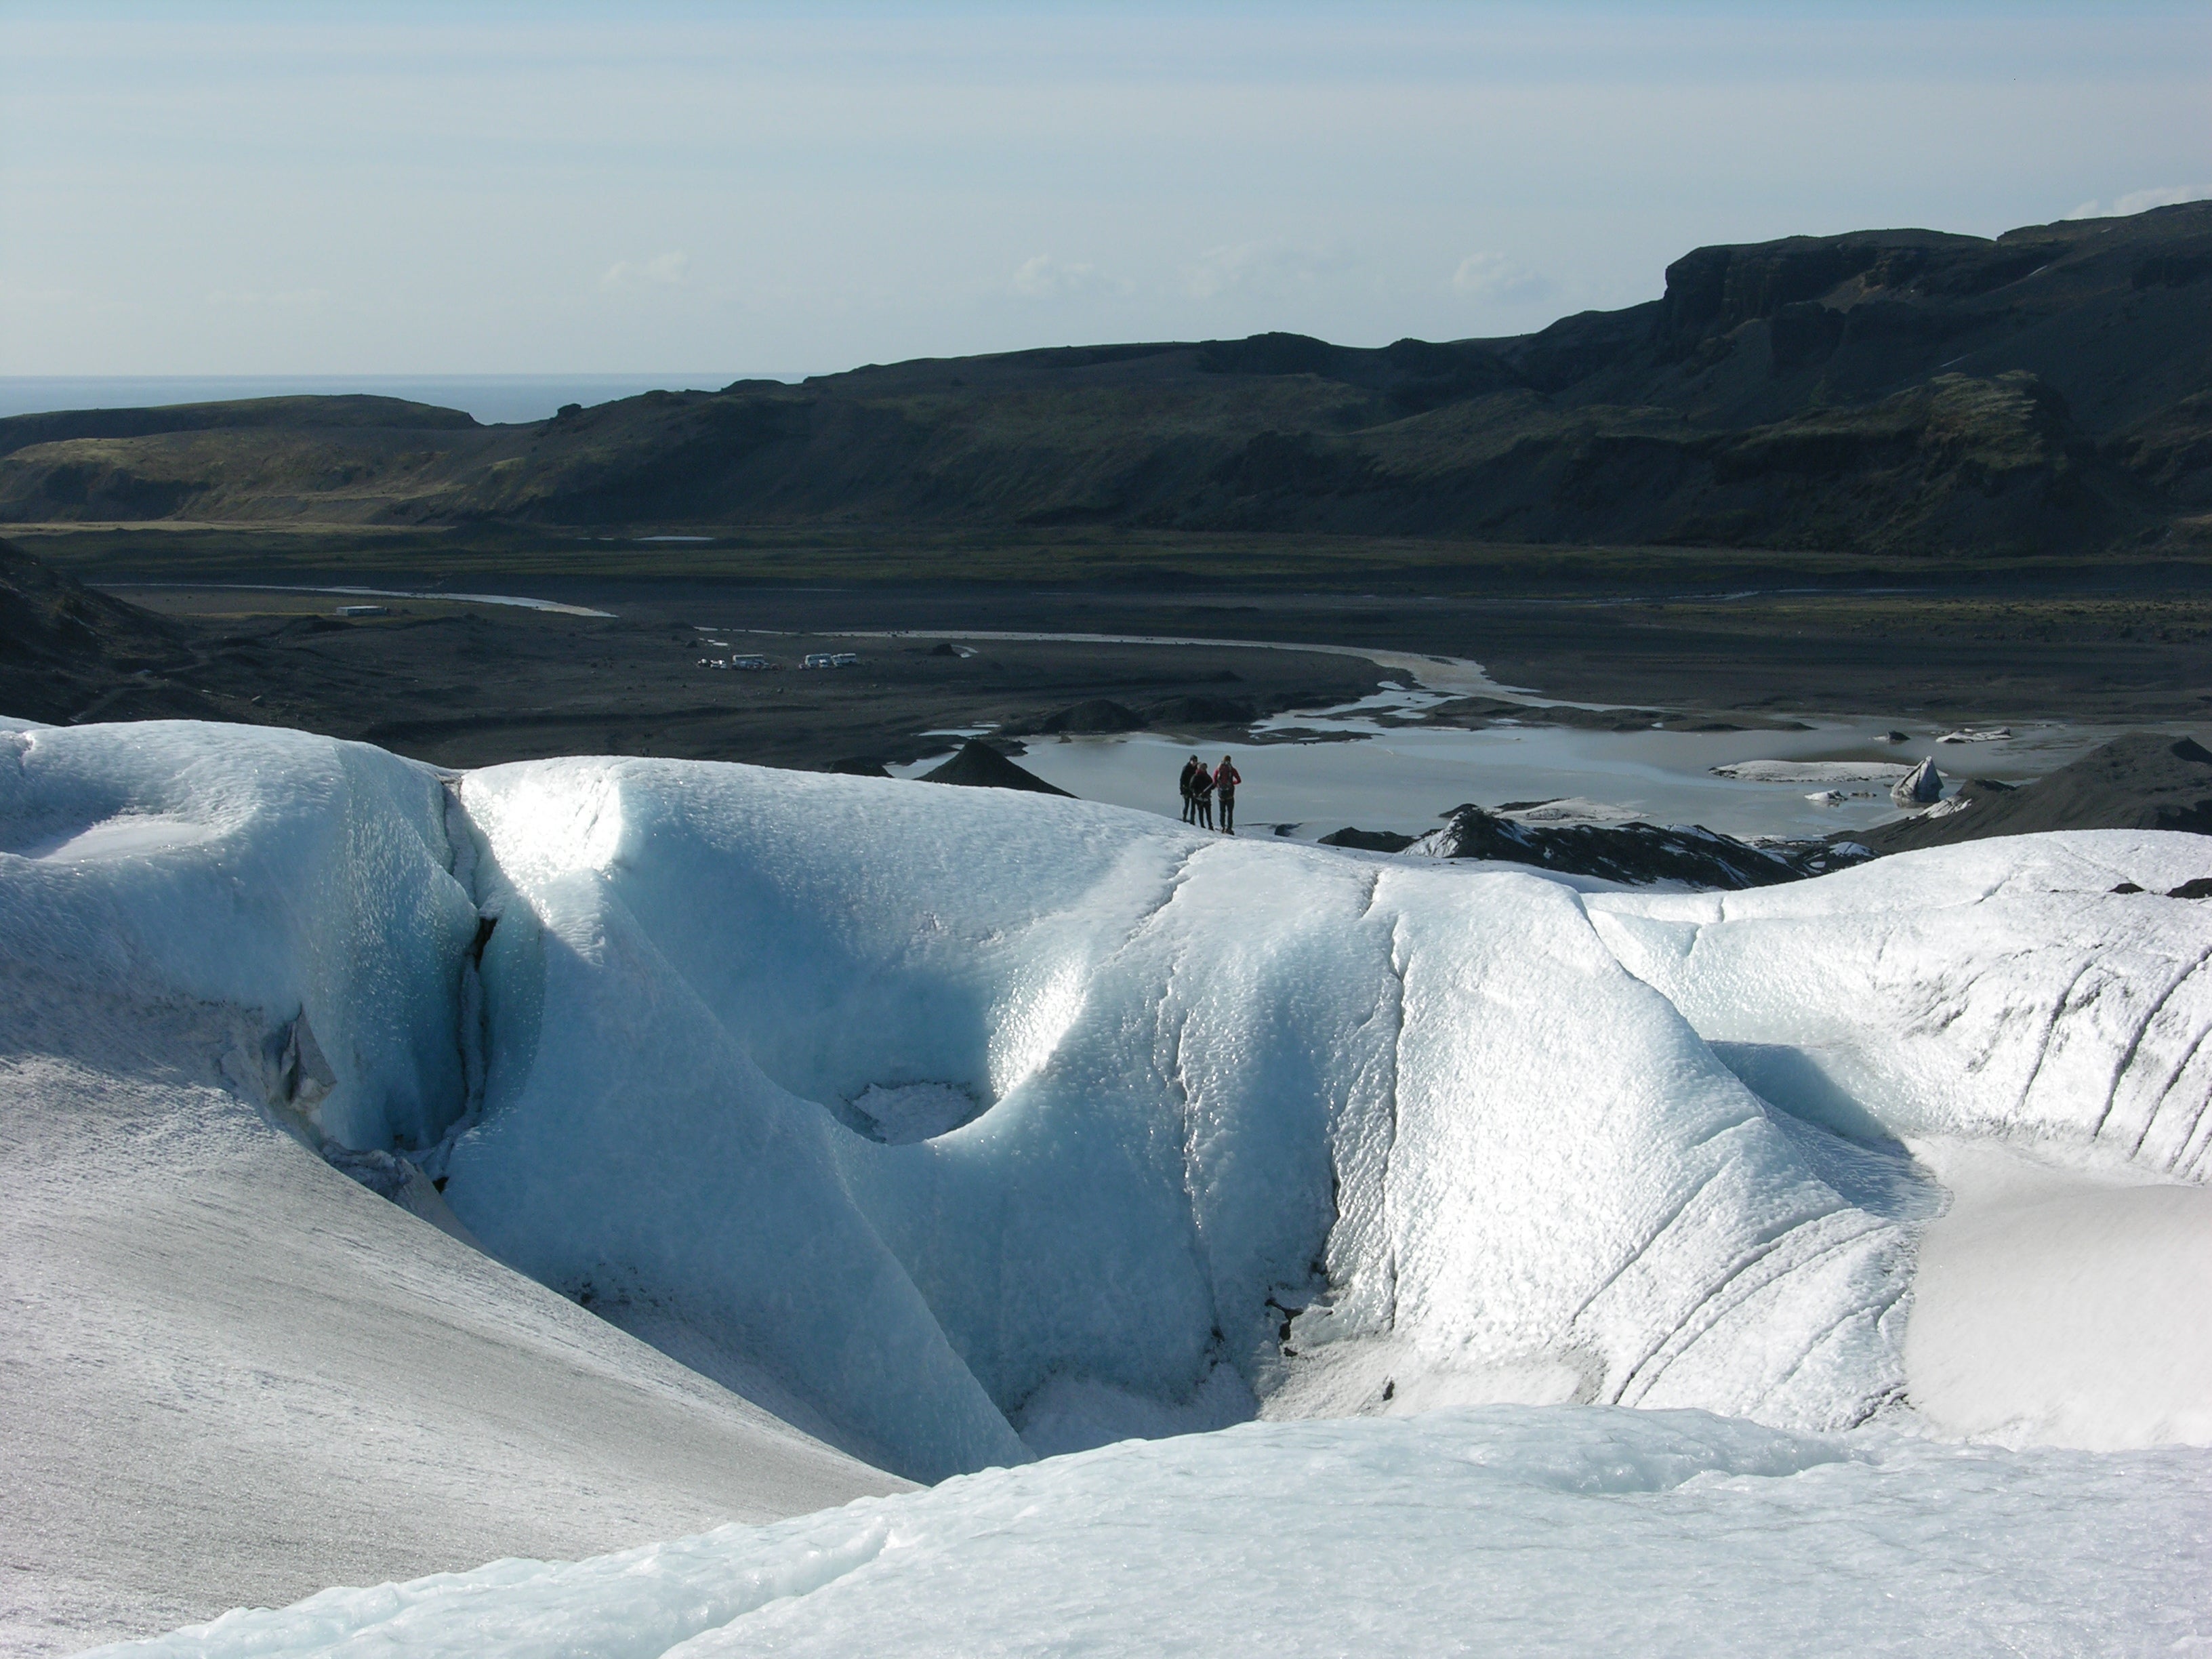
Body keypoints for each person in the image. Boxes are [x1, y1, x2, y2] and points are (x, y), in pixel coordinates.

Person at [1214, 755, 1242, 834]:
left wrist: (1219, 786)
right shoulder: (1232, 769)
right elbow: (1239, 780)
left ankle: (1222, 827)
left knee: (1222, 811)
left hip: (1221, 793)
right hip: (1230, 793)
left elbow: (1215, 781)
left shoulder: (1218, 769)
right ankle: (1229, 828)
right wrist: (1232, 783)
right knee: (1230, 811)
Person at [1189, 759, 1214, 830]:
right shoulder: (1195, 777)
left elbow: (1212, 786)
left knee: (1208, 812)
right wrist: (1196, 793)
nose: (1204, 769)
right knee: (1201, 812)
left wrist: (1213, 785)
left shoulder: (1207, 776)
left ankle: (1210, 826)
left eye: (1205, 768)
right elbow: (1191, 786)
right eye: (1203, 768)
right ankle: (1202, 825)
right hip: (1199, 798)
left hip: (1207, 797)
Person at [1178, 754, 1202, 824]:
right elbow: (1181, 779)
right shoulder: (1186, 768)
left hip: (1194, 789)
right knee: (1187, 804)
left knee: (1193, 806)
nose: (1194, 763)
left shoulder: (1197, 769)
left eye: (1196, 761)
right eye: (1193, 761)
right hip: (1186, 789)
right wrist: (1181, 790)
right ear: (1190, 761)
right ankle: (1184, 818)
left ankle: (1192, 820)